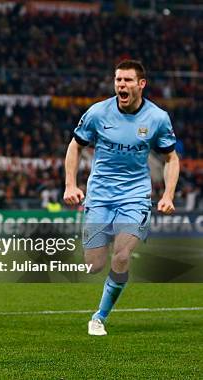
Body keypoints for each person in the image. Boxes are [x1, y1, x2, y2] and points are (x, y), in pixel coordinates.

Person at [63, 60, 179, 336]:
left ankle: (99, 317)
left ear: (141, 84)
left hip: (135, 196)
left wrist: (168, 194)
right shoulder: (98, 113)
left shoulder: (157, 118)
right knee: (94, 265)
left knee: (123, 255)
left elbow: (171, 158)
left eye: (127, 81)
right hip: (100, 195)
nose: (121, 86)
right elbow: (75, 146)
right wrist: (70, 185)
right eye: (118, 80)